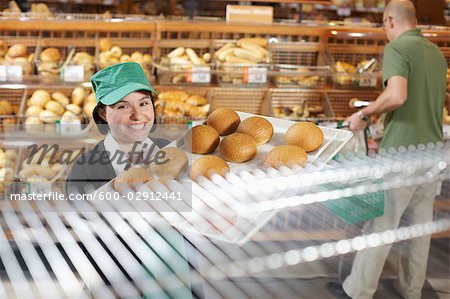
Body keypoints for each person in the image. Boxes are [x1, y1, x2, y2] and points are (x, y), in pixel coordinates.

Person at [327, 1, 447, 298]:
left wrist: (364, 115)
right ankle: (410, 290)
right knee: (419, 229)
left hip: (402, 154)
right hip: (432, 151)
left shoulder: (397, 48)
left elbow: (397, 95)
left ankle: (358, 291)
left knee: (381, 226)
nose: (385, 31)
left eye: (384, 24)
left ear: (390, 20)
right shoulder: (435, 52)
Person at [66, 62, 197, 298]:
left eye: (144, 103)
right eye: (123, 106)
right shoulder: (85, 170)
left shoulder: (172, 153)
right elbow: (81, 242)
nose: (138, 115)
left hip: (178, 276)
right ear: (103, 113)